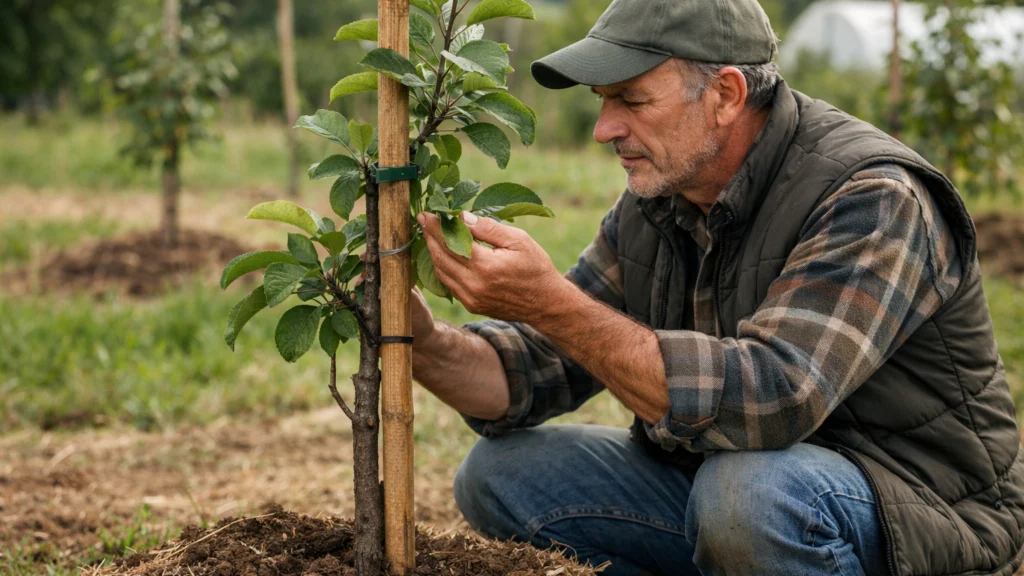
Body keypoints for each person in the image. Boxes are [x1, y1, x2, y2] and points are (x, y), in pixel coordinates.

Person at [411, 0, 1024, 574]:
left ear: (726, 94)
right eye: (603, 100)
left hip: (915, 504)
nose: (603, 128)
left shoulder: (872, 197)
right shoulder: (658, 203)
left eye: (630, 99)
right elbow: (538, 365)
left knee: (749, 496)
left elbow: (776, 399)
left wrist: (550, 302)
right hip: (734, 489)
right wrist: (422, 341)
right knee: (501, 473)